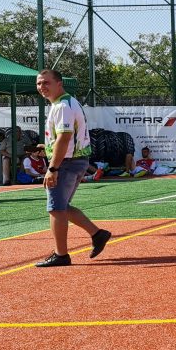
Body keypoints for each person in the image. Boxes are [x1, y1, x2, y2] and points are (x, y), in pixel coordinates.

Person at [33, 69, 112, 268]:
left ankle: (61, 255)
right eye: (39, 83)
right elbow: (65, 138)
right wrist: (48, 147)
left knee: (56, 208)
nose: (42, 87)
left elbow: (65, 137)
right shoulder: (66, 103)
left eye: (46, 82)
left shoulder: (62, 106)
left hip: (67, 163)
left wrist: (53, 168)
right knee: (62, 206)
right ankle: (97, 234)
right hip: (75, 161)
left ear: (59, 84)